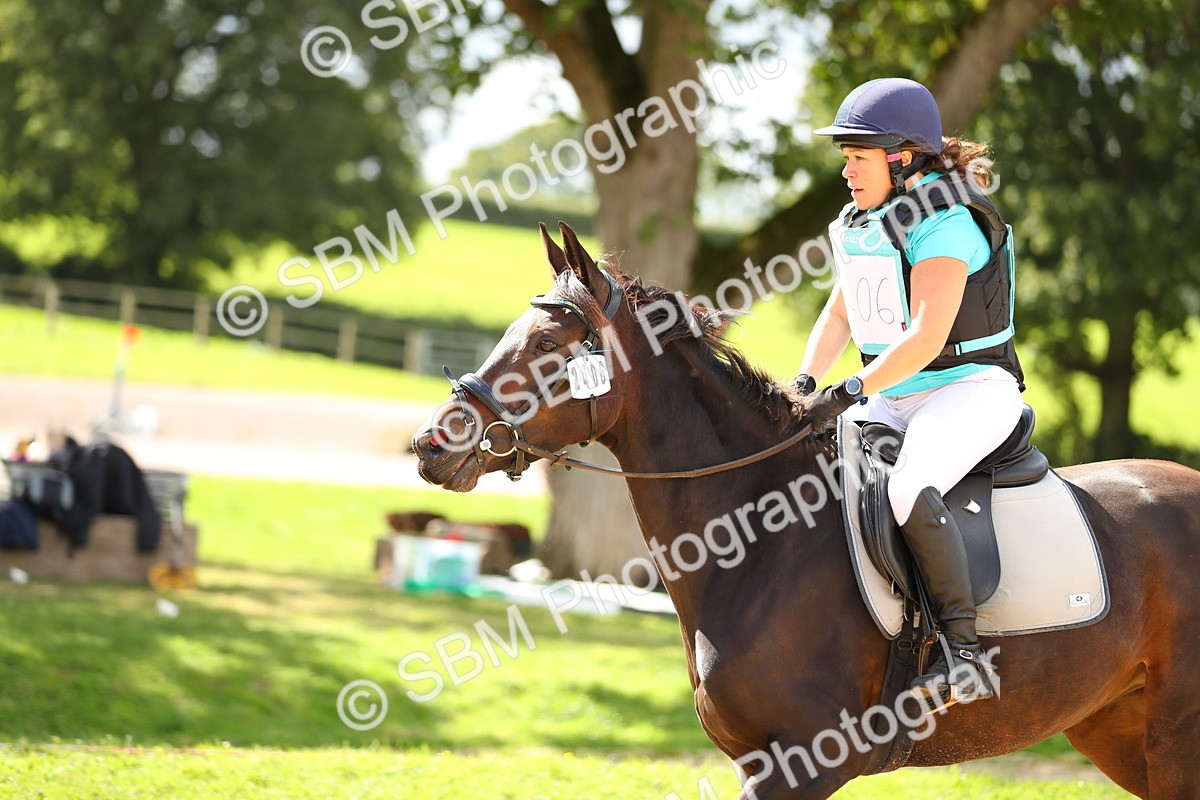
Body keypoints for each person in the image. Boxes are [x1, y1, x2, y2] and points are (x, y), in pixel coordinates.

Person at [793, 77, 1026, 704]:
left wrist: (850, 388)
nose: (847, 172)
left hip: (972, 389)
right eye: (846, 157)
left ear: (903, 157)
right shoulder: (861, 224)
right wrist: (807, 382)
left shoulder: (948, 226)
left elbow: (925, 338)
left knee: (907, 487)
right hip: (893, 392)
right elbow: (840, 317)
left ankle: (964, 653)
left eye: (859, 157)